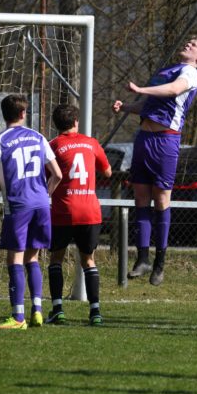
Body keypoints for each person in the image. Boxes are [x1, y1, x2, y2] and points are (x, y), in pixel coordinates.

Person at [112, 36, 197, 286]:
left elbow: (174, 90)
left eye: (194, 45)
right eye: (188, 42)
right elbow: (149, 105)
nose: (188, 44)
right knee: (140, 198)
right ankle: (142, 258)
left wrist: (140, 89)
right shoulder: (167, 70)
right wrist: (126, 107)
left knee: (161, 199)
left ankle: (160, 263)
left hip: (166, 140)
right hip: (144, 139)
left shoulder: (190, 72)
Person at [0, 94, 62, 330]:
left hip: (18, 205)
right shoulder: (39, 137)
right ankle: (37, 310)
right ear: (22, 114)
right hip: (41, 204)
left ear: (4, 114)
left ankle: (18, 317)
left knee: (15, 259)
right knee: (33, 257)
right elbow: (58, 174)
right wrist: (45, 195)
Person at [47, 104, 112, 326]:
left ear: (56, 125)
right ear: (76, 122)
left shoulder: (53, 146)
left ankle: (58, 309)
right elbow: (107, 172)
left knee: (56, 258)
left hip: (63, 211)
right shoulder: (91, 143)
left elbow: (47, 176)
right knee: (88, 260)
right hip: (89, 211)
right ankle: (95, 312)